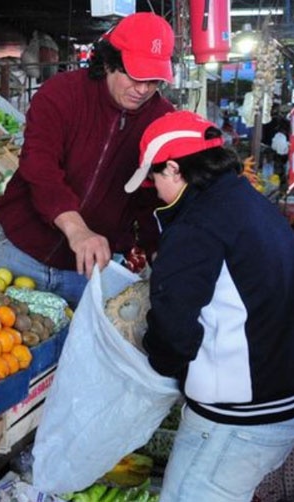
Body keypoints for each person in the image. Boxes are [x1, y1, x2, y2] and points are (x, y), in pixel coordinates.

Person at [125, 110, 294, 501]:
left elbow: (173, 332)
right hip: (276, 405)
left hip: (234, 423)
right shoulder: (249, 204)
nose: (154, 189)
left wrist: (154, 359)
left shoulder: (197, 226)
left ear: (172, 169)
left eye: (154, 178)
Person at [0, 12, 176, 306]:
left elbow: (153, 199)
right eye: (135, 76)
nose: (142, 89)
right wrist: (77, 229)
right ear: (110, 61)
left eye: (153, 81)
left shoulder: (161, 119)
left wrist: (158, 252)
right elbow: (39, 166)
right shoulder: (61, 93)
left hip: (91, 271)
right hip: (20, 252)